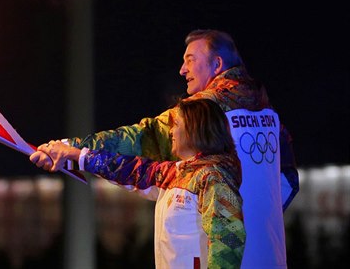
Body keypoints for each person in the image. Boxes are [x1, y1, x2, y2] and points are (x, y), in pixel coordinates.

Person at [34, 29, 298, 268]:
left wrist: (69, 147)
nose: (182, 70)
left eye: (191, 59)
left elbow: (141, 139)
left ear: (217, 64)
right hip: (269, 257)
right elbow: (288, 182)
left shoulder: (203, 112)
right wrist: (248, 216)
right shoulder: (267, 113)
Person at [31, 98, 246, 268]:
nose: (170, 131)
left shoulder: (213, 178)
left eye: (176, 125)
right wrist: (75, 155)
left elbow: (229, 239)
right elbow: (128, 169)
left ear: (194, 129)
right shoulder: (174, 173)